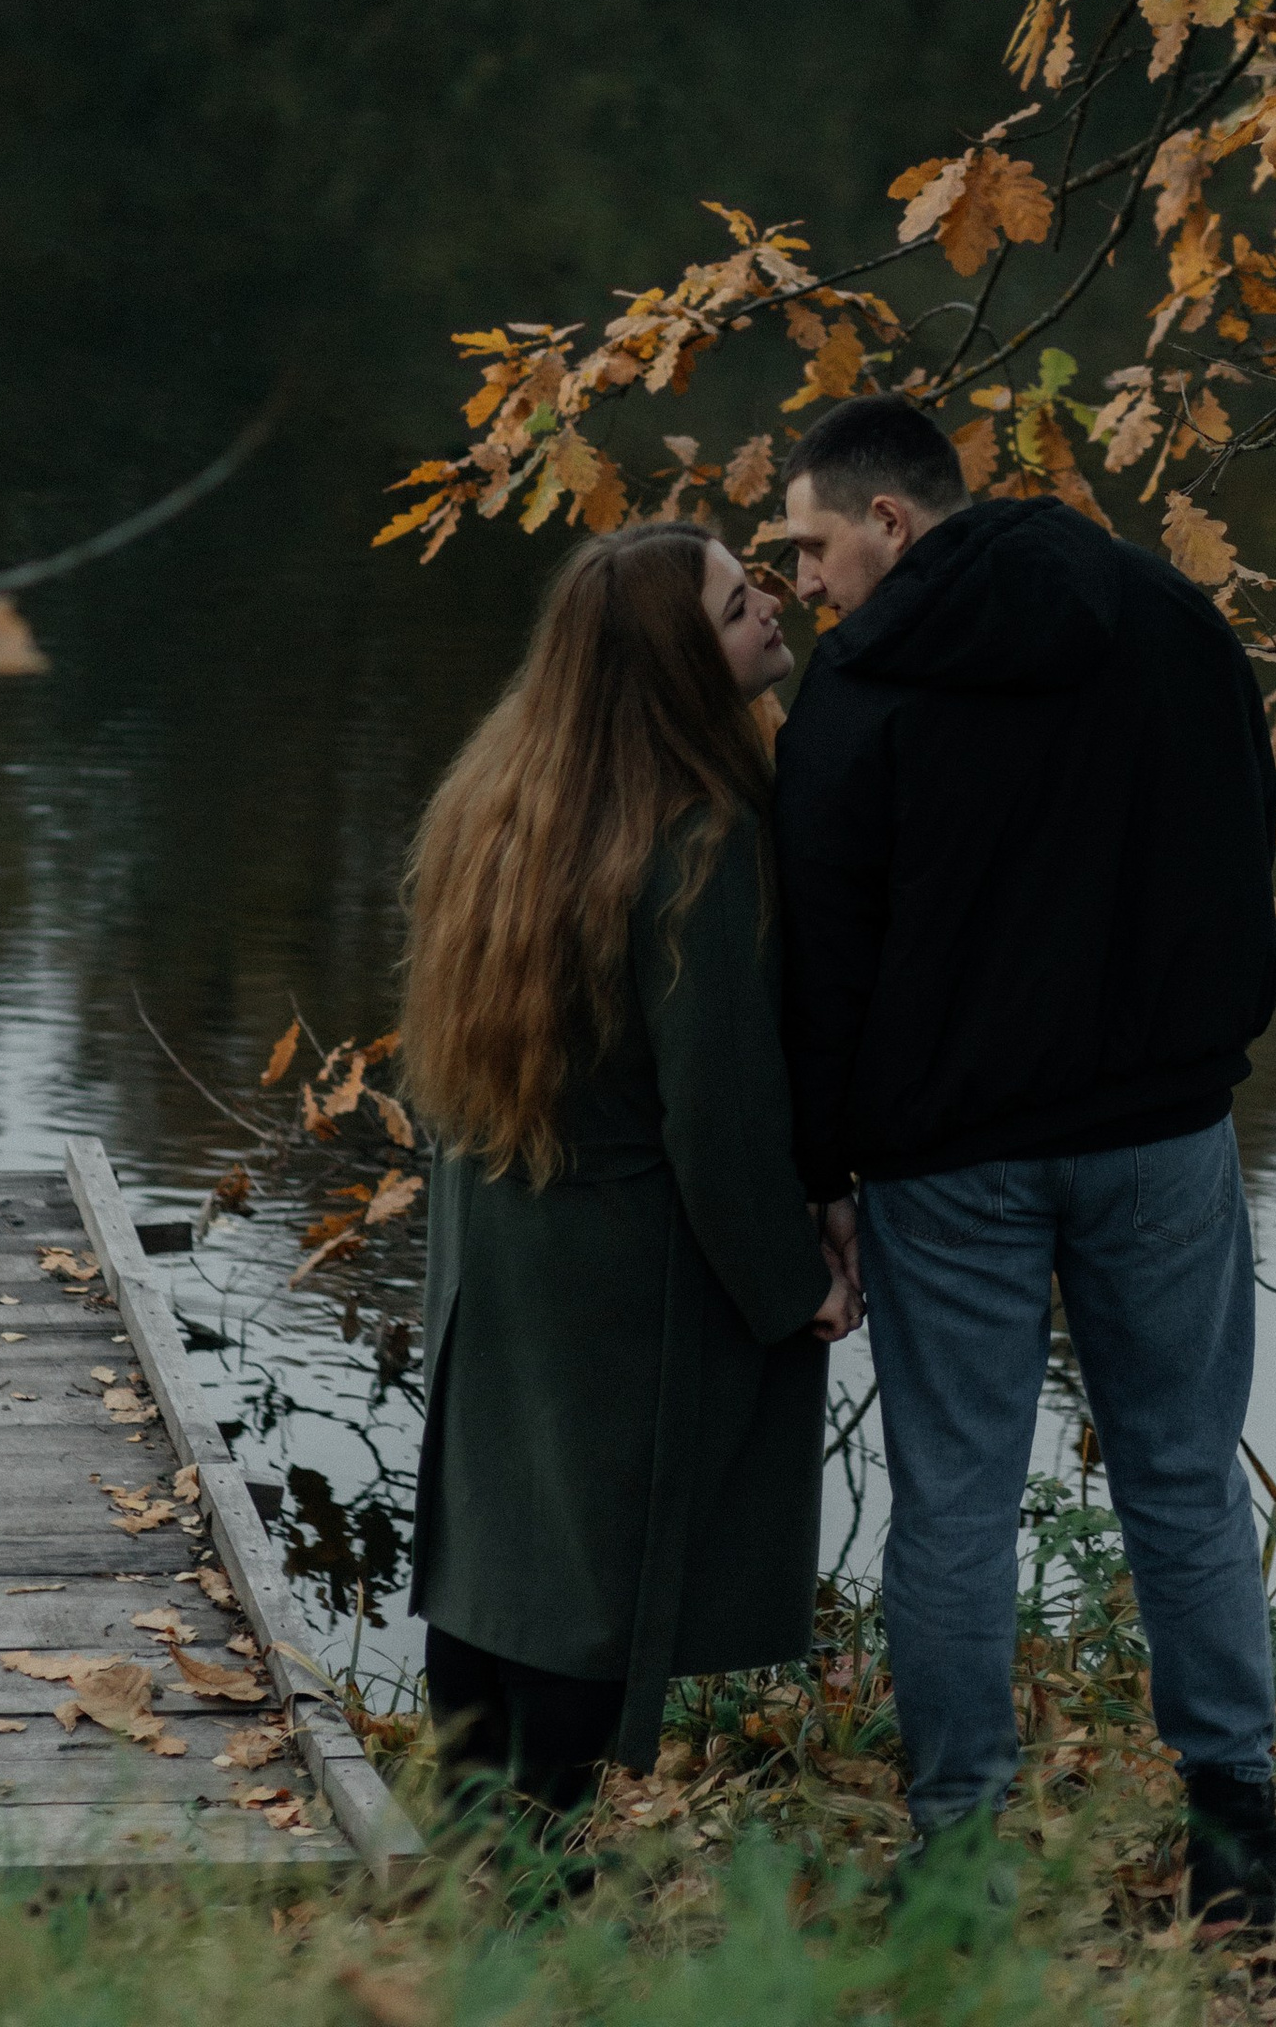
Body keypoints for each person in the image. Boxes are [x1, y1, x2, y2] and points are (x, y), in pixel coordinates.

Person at [773, 390, 1276, 1924]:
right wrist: (1212, 1042)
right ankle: (1236, 1840)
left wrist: (824, 1170)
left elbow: (819, 957)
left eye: (812, 547)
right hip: (1159, 1134)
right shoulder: (1164, 617)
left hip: (951, 1163)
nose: (803, 585)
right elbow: (1247, 833)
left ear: (890, 519)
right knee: (1184, 1472)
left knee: (956, 1499)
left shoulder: (858, 692)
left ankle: (958, 1858)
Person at [401, 519, 859, 1828]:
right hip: (618, 1278)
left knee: (498, 1561)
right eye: (733, 604)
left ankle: (475, 1848)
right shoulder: (699, 844)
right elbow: (720, 1119)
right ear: (674, 665)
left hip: (498, 1242)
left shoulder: (498, 801)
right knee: (593, 1584)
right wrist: (796, 1285)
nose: (769, 606)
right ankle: (538, 1875)